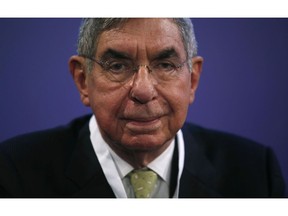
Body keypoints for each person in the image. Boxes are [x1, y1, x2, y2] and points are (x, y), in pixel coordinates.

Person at [0, 18, 285, 198]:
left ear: (193, 80)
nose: (143, 90)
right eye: (118, 66)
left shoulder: (255, 174)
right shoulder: (14, 174)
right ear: (83, 80)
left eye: (165, 65)